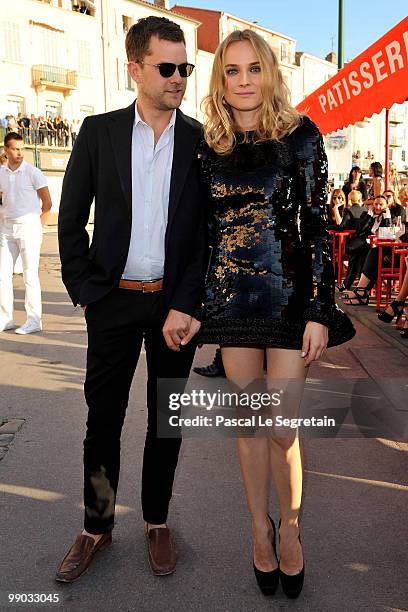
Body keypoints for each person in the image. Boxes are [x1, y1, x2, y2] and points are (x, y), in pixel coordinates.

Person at [195, 29, 355, 599]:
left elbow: (316, 227)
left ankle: (290, 528)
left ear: (270, 73)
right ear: (220, 79)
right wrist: (192, 306)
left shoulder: (300, 135)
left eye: (252, 69)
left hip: (289, 302)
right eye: (232, 71)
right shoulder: (206, 144)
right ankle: (257, 530)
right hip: (233, 304)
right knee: (249, 427)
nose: (243, 81)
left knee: (283, 428)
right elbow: (201, 234)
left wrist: (319, 308)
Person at [56, 16, 205, 583]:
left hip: (173, 308)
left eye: (184, 68)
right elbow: (71, 220)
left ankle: (157, 521)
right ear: (134, 69)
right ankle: (96, 526)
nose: (178, 78)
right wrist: (87, 291)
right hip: (113, 302)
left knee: (166, 419)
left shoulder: (198, 141)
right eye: (166, 67)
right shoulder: (97, 133)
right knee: (103, 419)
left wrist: (187, 304)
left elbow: (204, 237)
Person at [0, 132, 52, 333]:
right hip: (6, 231)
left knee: (30, 275)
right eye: (15, 148)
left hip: (28, 229)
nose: (20, 152)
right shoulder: (2, 173)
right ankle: (6, 318)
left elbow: (47, 203)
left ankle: (34, 320)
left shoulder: (33, 172)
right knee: (3, 276)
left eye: (22, 148)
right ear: (6, 150)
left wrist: (38, 227)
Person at [342, 195, 401, 305]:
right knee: (365, 252)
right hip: (367, 246)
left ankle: (360, 290)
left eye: (381, 204)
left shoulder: (390, 217)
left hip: (384, 250)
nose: (378, 207)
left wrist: (387, 217)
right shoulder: (366, 215)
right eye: (376, 204)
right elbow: (359, 230)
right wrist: (369, 216)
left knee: (370, 253)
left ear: (386, 206)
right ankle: (361, 291)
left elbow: (388, 234)